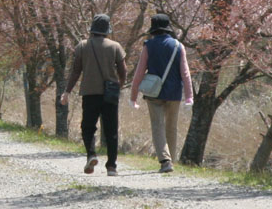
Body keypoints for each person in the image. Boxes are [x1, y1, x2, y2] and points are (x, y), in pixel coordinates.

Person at [60, 13, 126, 176]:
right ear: (107, 29)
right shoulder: (115, 46)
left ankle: (91, 154)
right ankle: (111, 166)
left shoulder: (83, 46)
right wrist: (119, 85)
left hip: (90, 93)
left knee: (88, 127)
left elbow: (76, 71)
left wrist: (67, 91)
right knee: (111, 130)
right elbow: (123, 70)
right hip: (110, 94)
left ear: (92, 29)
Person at [129, 13, 194, 173]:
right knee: (171, 127)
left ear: (153, 29)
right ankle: (171, 160)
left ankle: (165, 161)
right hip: (174, 93)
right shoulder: (178, 46)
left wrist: (133, 96)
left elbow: (139, 73)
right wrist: (189, 96)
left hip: (153, 93)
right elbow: (185, 73)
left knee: (157, 126)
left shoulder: (149, 45)